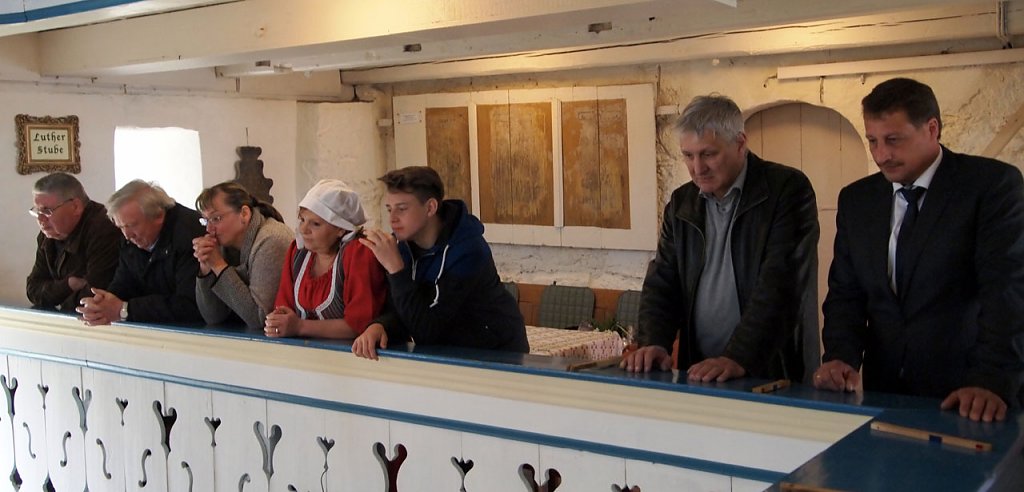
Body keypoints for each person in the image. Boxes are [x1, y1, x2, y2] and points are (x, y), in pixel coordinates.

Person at [815, 78, 1024, 422]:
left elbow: (1006, 292)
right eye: (872, 141)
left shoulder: (989, 186)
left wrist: (991, 380)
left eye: (893, 140)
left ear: (932, 129)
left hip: (971, 397)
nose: (881, 155)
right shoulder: (857, 200)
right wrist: (840, 357)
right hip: (885, 396)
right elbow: (846, 294)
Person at [622, 94, 819, 384]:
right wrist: (654, 342)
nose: (697, 168)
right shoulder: (682, 203)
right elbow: (663, 282)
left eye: (708, 154)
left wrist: (738, 357)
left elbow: (781, 285)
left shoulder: (786, 190)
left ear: (740, 143)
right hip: (700, 370)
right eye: (688, 155)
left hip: (771, 371)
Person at [352, 166, 528, 359]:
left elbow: (428, 331)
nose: (392, 219)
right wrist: (380, 325)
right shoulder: (402, 246)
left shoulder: (468, 250)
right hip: (449, 350)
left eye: (402, 209)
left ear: (430, 208)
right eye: (389, 209)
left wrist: (396, 269)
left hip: (497, 352)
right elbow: (404, 311)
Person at [264, 179, 387, 339]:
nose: (303, 229)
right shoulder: (298, 254)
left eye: (315, 224)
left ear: (341, 229)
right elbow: (284, 309)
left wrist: (300, 326)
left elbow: (358, 326)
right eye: (302, 220)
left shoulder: (359, 254)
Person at [76, 180, 206, 325]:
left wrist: (125, 309)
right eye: (121, 227)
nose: (127, 235)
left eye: (131, 225)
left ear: (158, 216)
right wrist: (103, 304)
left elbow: (190, 305)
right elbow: (124, 283)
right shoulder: (132, 239)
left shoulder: (190, 235)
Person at [193, 182, 292, 329]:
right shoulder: (225, 244)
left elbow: (259, 318)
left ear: (244, 214)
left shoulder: (272, 240)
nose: (209, 229)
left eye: (216, 219)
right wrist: (206, 268)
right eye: (205, 220)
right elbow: (213, 317)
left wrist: (218, 265)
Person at [26, 173, 121, 313]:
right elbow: (33, 290)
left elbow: (95, 295)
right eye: (37, 211)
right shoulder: (48, 234)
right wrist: (69, 285)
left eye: (47, 211)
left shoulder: (104, 229)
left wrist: (58, 297)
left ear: (76, 206)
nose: (40, 219)